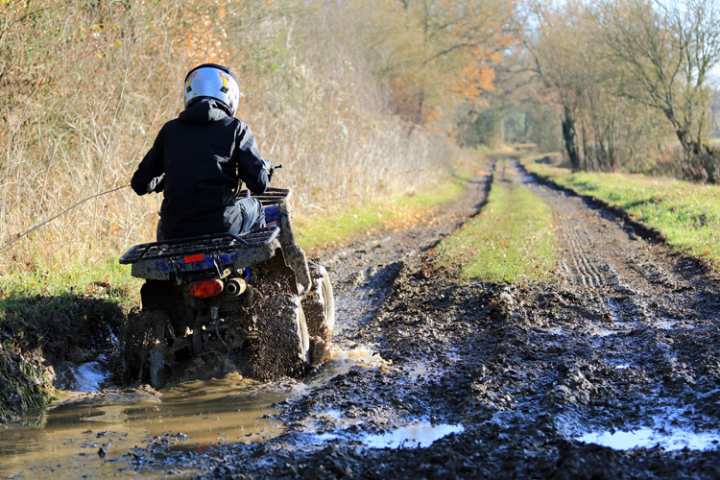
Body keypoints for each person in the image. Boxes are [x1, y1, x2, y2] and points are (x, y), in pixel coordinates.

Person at [131, 63, 271, 241]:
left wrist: (164, 181)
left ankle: (174, 268)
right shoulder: (237, 128)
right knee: (256, 207)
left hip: (174, 231)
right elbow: (259, 184)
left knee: (164, 223)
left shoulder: (170, 130)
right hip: (223, 225)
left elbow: (139, 184)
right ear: (230, 94)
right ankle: (258, 267)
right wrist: (265, 169)